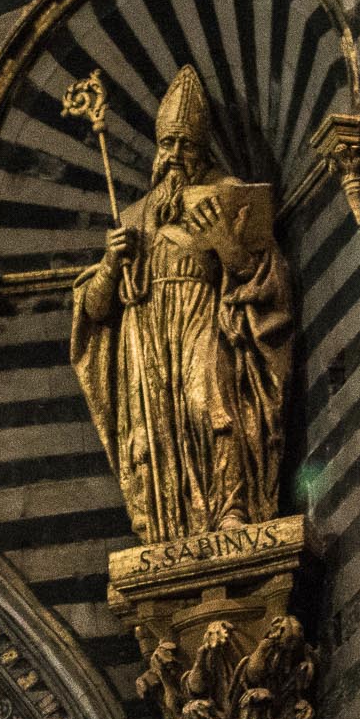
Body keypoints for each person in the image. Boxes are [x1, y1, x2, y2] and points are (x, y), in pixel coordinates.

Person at [71, 65, 294, 544]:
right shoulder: (132, 218)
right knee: (155, 435)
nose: (174, 156)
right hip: (148, 336)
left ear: (201, 148)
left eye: (184, 146)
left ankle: (232, 510)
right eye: (167, 144)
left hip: (205, 320)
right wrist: (112, 265)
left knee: (209, 405)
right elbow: (91, 310)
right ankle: (169, 525)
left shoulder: (227, 197)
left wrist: (224, 244)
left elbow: (265, 280)